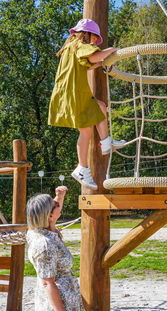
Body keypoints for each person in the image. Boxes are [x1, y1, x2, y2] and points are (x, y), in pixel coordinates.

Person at [48, 18, 125, 190]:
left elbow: (88, 64)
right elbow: (93, 55)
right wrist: (113, 51)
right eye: (93, 39)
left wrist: (102, 63)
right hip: (72, 93)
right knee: (86, 131)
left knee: (100, 107)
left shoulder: (70, 48)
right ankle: (82, 168)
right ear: (86, 34)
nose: (93, 42)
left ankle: (106, 143)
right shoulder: (78, 44)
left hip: (71, 93)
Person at [26, 186, 81, 311]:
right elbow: (48, 283)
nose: (57, 203)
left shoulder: (42, 230)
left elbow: (53, 210)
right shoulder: (44, 245)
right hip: (58, 305)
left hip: (64, 299)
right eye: (54, 204)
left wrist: (59, 197)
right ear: (49, 216)